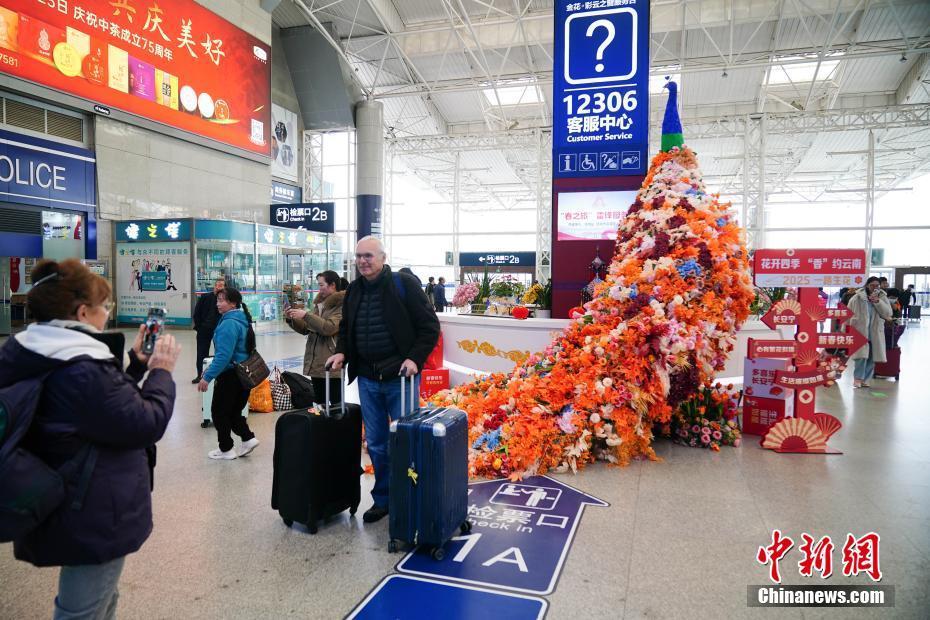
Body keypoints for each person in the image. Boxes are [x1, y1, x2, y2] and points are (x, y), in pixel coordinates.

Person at [0, 258, 180, 620]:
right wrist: (160, 373)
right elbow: (144, 422)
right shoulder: (83, 369)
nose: (106, 313)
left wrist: (136, 365)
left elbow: (98, 410)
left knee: (99, 599)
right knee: (82, 609)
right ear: (83, 312)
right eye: (104, 306)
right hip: (92, 503)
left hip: (67, 487)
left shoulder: (34, 350)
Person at [325, 236, 440, 523]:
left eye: (369, 256)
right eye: (359, 256)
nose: (363, 261)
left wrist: (414, 358)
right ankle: (384, 498)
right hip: (367, 378)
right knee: (375, 442)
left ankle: (409, 496)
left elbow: (429, 327)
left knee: (405, 440)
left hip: (399, 378)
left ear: (383, 257)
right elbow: (347, 329)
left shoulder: (404, 285)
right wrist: (342, 353)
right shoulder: (353, 291)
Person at [197, 288, 260, 460]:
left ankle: (226, 449)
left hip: (230, 376)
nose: (218, 304)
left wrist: (206, 377)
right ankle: (248, 438)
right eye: (217, 300)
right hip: (243, 374)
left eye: (222, 300)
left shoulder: (228, 324)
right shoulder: (242, 319)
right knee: (233, 412)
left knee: (218, 412)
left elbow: (223, 356)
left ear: (232, 303)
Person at [285, 270, 346, 404]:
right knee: (319, 403)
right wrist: (292, 319)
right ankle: (322, 425)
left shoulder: (342, 305)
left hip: (332, 361)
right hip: (316, 361)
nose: (319, 289)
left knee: (336, 403)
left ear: (333, 285)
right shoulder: (319, 305)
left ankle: (337, 425)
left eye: (321, 285)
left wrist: (306, 315)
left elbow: (328, 328)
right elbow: (306, 328)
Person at [847, 276, 893, 389]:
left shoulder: (882, 297)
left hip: (875, 332)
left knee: (872, 357)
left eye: (877, 285)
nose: (875, 288)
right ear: (867, 285)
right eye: (872, 285)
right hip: (860, 331)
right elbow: (847, 314)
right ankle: (857, 379)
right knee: (861, 357)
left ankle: (865, 380)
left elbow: (888, 313)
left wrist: (878, 302)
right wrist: (846, 330)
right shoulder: (857, 298)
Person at [192, 278, 224, 383]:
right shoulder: (205, 297)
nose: (219, 287)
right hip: (204, 330)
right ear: (214, 286)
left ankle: (218, 375)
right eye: (217, 285)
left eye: (221, 285)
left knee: (220, 353)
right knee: (201, 353)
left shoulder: (226, 300)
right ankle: (200, 375)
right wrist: (199, 327)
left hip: (219, 331)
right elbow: (197, 313)